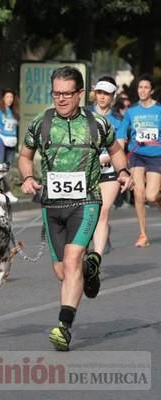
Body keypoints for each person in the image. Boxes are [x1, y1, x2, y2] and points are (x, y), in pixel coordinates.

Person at [18, 66, 133, 351]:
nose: (61, 99)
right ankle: (89, 269)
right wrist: (28, 177)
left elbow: (116, 150)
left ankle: (64, 327)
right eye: (56, 93)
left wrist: (124, 172)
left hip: (86, 203)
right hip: (52, 206)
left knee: (71, 262)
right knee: (63, 271)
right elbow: (25, 156)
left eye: (67, 94)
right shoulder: (41, 123)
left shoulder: (97, 124)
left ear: (80, 94)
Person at [116, 74, 161, 247]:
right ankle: (143, 234)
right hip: (137, 155)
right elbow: (121, 134)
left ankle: (157, 198)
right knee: (139, 194)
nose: (142, 90)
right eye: (140, 87)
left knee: (150, 195)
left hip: (156, 155)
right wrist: (119, 156)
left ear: (152, 90)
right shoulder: (132, 111)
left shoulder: (159, 110)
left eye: (146, 88)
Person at [89, 77, 124, 255]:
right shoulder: (84, 114)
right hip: (86, 171)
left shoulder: (118, 119)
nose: (102, 97)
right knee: (89, 212)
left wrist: (100, 159)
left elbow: (120, 148)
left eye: (107, 94)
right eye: (99, 93)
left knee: (103, 211)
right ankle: (101, 235)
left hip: (109, 171)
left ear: (113, 96)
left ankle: (96, 260)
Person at [0, 89, 20, 203]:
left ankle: (6, 192)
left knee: (7, 168)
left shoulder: (14, 112)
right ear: (3, 98)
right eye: (7, 97)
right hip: (2, 140)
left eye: (11, 97)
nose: (10, 99)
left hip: (12, 141)